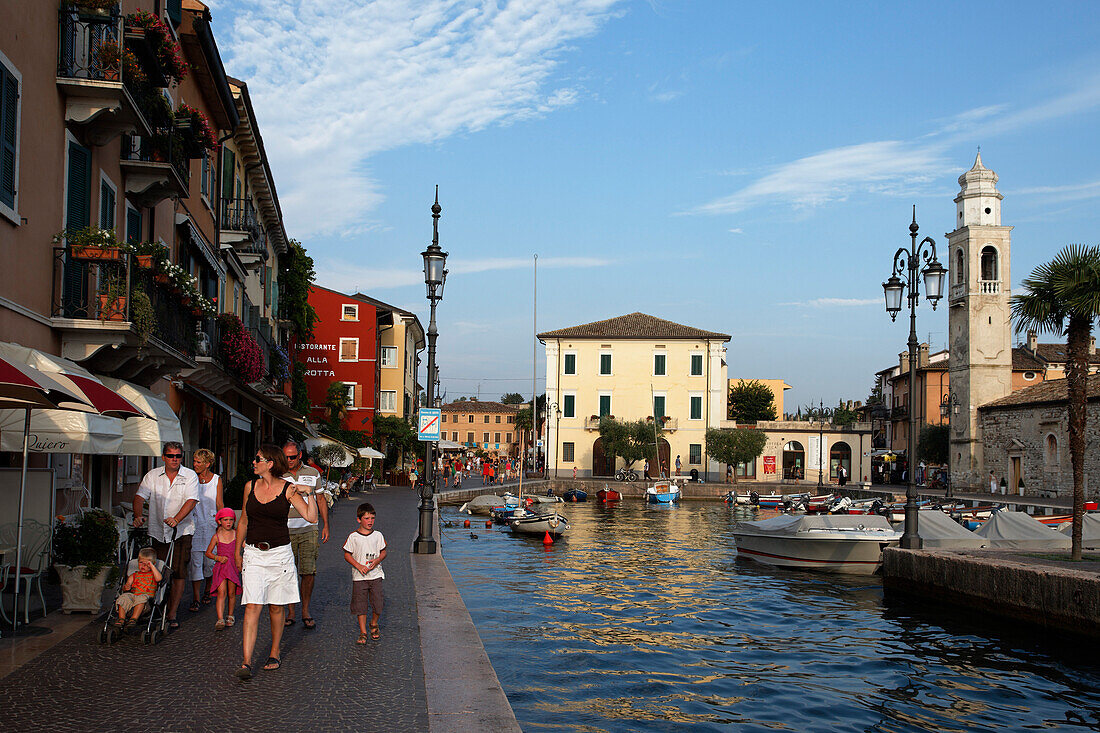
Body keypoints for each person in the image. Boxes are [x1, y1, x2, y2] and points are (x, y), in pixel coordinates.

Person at [235, 444, 316, 680]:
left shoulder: (288, 489)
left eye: (257, 459)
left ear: (270, 463)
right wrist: (237, 552)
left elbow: (310, 517)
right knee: (252, 605)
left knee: (276, 606)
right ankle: (247, 661)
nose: (253, 462)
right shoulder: (250, 487)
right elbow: (243, 521)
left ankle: (274, 651)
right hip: (253, 553)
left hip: (279, 554)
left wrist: (308, 493)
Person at [133, 442, 199, 630]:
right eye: (171, 456)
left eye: (178, 456)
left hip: (181, 532)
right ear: (163, 457)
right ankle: (156, 607)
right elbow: (139, 497)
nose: (175, 459)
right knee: (158, 571)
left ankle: (172, 612)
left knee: (178, 572)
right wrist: (138, 516)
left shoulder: (189, 476)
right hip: (157, 531)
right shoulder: (152, 476)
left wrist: (177, 519)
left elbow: (191, 500)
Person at [282, 440, 328, 630]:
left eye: (292, 457)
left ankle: (305, 610)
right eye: (286, 457)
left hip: (309, 528)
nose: (289, 460)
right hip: (285, 529)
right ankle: (291, 611)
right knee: (288, 571)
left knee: (308, 571)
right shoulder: (278, 473)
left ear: (300, 455)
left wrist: (326, 525)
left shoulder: (312, 473)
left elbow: (320, 499)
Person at [343, 502, 387, 644]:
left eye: (372, 518)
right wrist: (358, 565)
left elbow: (383, 551)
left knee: (378, 603)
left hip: (376, 575)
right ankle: (363, 632)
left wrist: (378, 560)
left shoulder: (378, 535)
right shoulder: (353, 537)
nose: (370, 522)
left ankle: (374, 623)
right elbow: (347, 554)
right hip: (359, 576)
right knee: (360, 605)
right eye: (367, 518)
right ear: (359, 519)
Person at [189, 449, 224, 612]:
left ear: (207, 464)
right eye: (194, 461)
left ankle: (208, 590)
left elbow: (219, 503)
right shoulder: (191, 479)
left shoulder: (216, 480)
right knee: (195, 561)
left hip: (210, 524)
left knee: (209, 562)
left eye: (198, 462)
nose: (195, 465)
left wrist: (222, 523)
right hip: (194, 524)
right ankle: (196, 598)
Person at [206, 507, 241, 630]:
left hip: (232, 566)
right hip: (221, 567)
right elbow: (208, 553)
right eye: (225, 520)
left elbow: (245, 546)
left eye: (231, 520)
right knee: (222, 593)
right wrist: (217, 558)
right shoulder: (216, 536)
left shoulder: (237, 534)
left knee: (231, 593)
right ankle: (220, 618)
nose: (228, 522)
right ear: (219, 521)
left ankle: (230, 615)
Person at [113, 547, 161, 631]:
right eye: (141, 562)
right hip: (133, 596)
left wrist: (152, 567)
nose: (143, 566)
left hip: (146, 599)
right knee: (123, 597)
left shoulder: (153, 575)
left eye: (147, 564)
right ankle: (121, 619)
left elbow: (159, 579)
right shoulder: (134, 575)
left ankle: (133, 619)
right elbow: (127, 586)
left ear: (153, 564)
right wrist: (126, 587)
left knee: (142, 598)